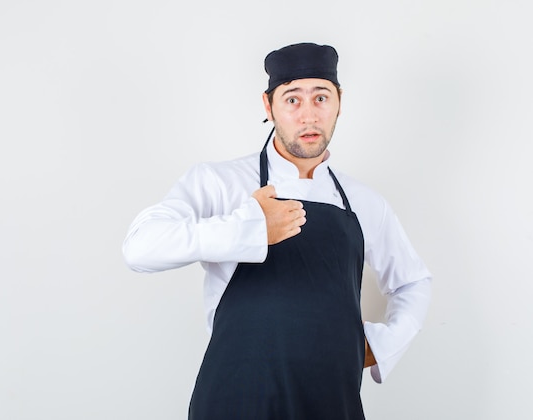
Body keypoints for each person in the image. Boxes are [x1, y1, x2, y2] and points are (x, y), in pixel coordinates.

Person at [123, 42, 431, 420]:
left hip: (332, 401)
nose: (308, 116)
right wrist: (249, 228)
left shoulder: (364, 202)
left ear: (339, 102)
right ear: (268, 107)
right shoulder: (219, 182)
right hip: (236, 400)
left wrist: (381, 344)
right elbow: (140, 248)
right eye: (292, 100)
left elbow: (413, 282)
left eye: (321, 97)